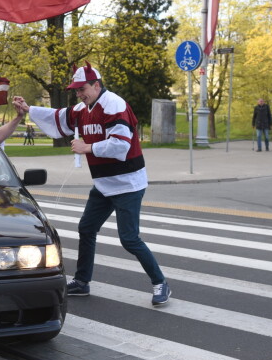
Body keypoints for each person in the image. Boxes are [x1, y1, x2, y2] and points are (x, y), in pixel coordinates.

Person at [14, 62, 171, 306]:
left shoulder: (114, 105)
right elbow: (58, 117)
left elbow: (121, 145)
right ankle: (82, 281)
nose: (78, 94)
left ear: (96, 85)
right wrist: (29, 109)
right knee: (86, 228)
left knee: (129, 239)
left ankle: (160, 282)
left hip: (128, 183)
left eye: (82, 89)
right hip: (104, 184)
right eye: (76, 90)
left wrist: (87, 147)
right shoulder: (83, 108)